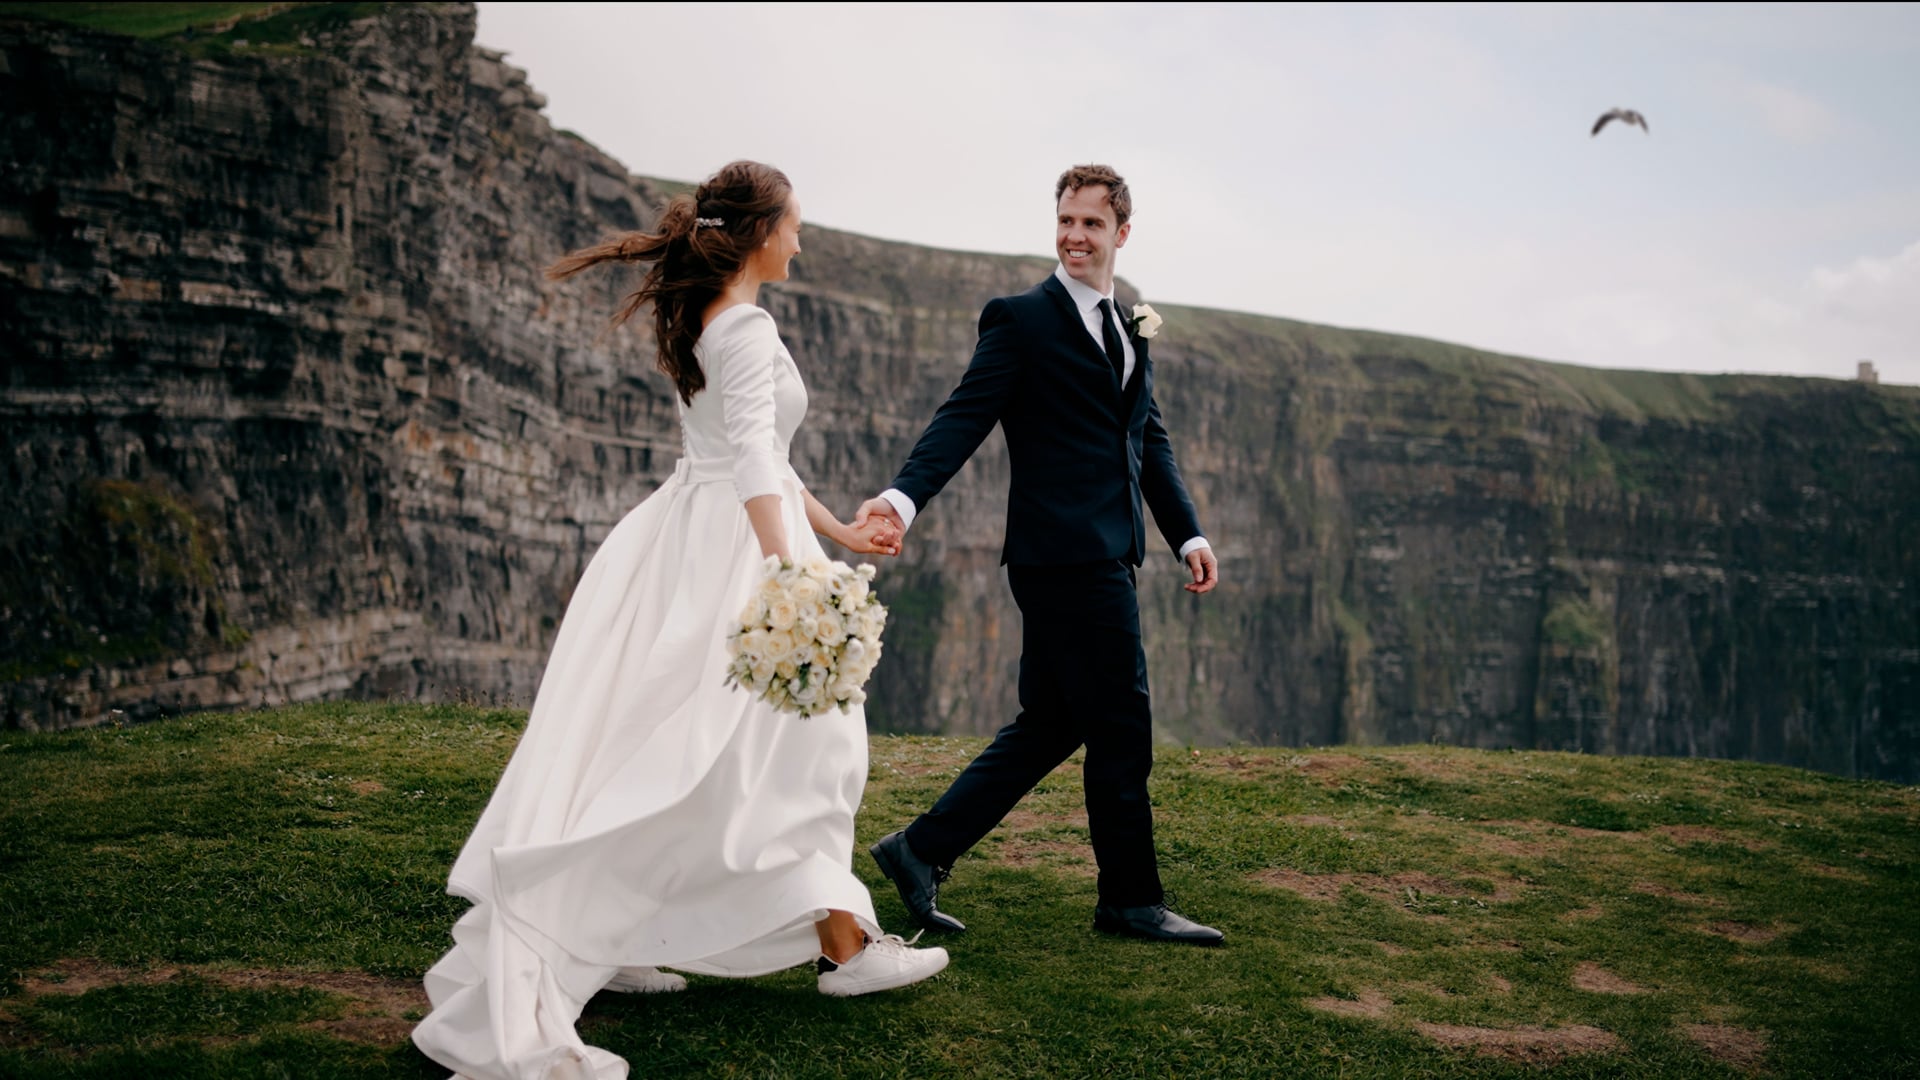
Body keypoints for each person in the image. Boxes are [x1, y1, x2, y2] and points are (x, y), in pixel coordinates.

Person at [411, 160, 948, 1080]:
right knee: (797, 749)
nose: (802, 239)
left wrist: (839, 532)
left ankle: (647, 932)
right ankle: (844, 951)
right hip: (734, 554)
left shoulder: (715, 320)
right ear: (759, 234)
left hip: (697, 536)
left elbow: (766, 458)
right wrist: (792, 578)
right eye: (794, 224)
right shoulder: (745, 326)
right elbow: (747, 460)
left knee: (682, 746)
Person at [856, 164, 1224, 947]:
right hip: (1062, 555)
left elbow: (1145, 435)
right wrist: (901, 498)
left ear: (1122, 232)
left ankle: (920, 849)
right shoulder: (1021, 319)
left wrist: (1185, 532)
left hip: (1109, 548)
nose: (1074, 236)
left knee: (1055, 720)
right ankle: (1130, 900)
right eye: (1065, 220)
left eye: (1091, 224)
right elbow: (965, 414)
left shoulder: (1130, 325)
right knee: (1123, 722)